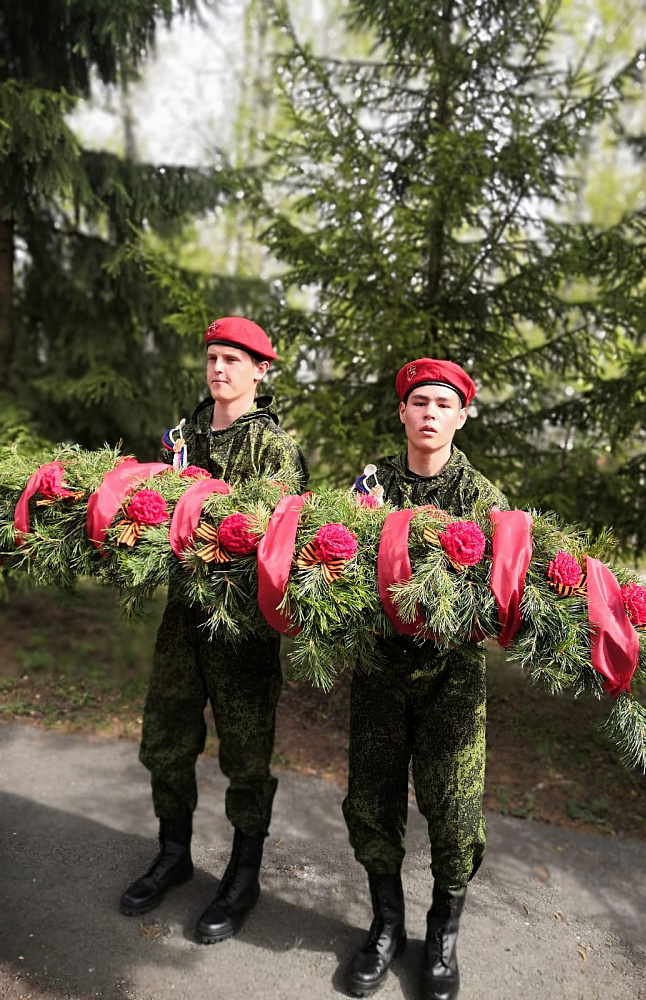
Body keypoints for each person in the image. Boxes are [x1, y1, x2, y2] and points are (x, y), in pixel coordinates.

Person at [119, 317, 308, 945]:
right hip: (183, 619)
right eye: (212, 358)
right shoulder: (186, 435)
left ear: (260, 370)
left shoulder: (274, 448)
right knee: (166, 738)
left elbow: (272, 538)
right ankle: (173, 854)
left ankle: (242, 876)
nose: (218, 369)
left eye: (232, 359)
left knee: (246, 757)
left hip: (242, 628)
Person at [342, 358, 509, 1000]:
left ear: (462, 416)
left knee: (456, 813)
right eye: (420, 403)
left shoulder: (482, 499)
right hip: (379, 671)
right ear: (403, 413)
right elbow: (336, 559)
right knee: (371, 801)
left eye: (443, 404)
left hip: (451, 679)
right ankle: (387, 927)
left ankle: (443, 935)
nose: (430, 414)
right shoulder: (372, 484)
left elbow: (500, 592)